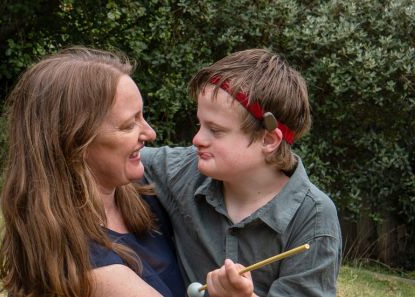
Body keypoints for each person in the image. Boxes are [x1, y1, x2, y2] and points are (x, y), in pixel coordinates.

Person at [142, 48, 342, 297]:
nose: (197, 139)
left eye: (215, 130)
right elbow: (118, 156)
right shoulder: (184, 170)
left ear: (268, 140)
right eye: (200, 124)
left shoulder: (313, 217)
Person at [0, 46, 185, 297]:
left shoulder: (144, 194)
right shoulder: (91, 269)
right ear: (76, 142)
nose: (150, 133)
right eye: (129, 124)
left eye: (143, 116)